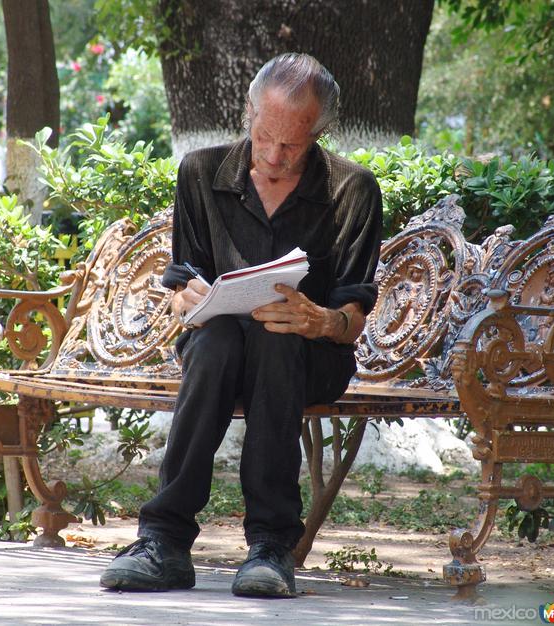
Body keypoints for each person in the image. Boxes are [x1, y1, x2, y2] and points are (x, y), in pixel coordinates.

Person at [100, 52, 383, 598]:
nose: (275, 156)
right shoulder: (201, 174)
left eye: (293, 145)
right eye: (265, 135)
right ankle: (163, 540)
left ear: (320, 134)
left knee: (279, 337)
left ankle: (271, 547)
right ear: (247, 112)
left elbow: (353, 317)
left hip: (310, 357)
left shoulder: (352, 190)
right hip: (220, 350)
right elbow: (183, 285)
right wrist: (189, 299)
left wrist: (319, 318)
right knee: (216, 340)